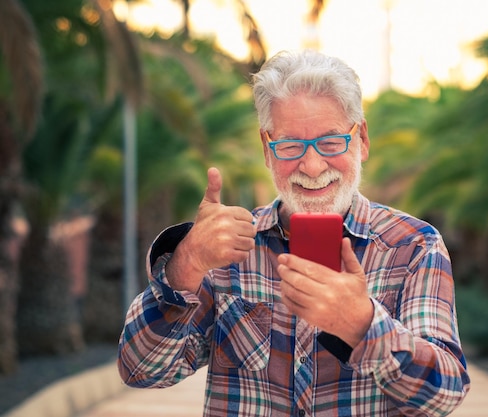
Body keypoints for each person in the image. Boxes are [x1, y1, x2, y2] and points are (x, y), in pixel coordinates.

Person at [117, 49, 470, 416]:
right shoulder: (227, 251)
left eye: (331, 142)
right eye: (289, 146)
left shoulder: (413, 246)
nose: (313, 166)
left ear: (361, 139)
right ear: (267, 150)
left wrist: (363, 327)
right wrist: (187, 262)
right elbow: (141, 371)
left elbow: (443, 396)